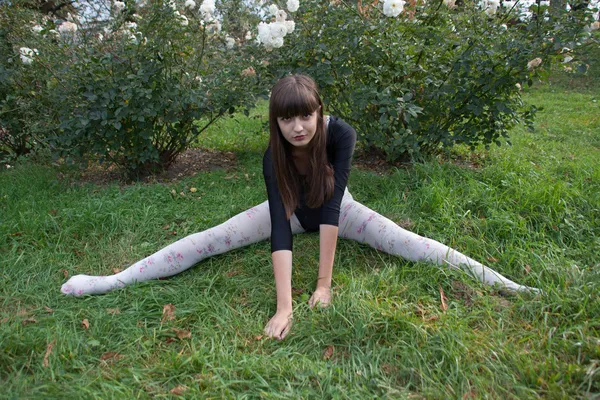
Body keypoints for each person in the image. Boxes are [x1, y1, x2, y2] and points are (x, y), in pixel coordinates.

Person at [61, 74, 538, 339]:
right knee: (208, 240)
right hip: (290, 211)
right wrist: (284, 306)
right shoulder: (274, 157)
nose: (297, 127)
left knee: (410, 244)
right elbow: (279, 229)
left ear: (318, 112)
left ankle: (509, 285)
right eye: (286, 118)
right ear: (277, 122)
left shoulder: (340, 134)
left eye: (305, 115)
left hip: (341, 209)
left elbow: (330, 210)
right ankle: (113, 280)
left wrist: (324, 285)